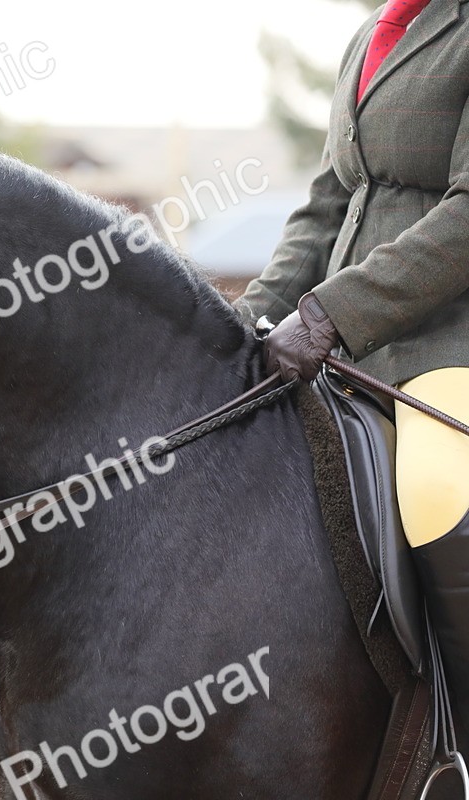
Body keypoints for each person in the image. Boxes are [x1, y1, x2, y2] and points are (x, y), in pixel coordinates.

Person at [235, 0, 469, 722]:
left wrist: (331, 315)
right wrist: (245, 317)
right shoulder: (373, 33)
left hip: (449, 343)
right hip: (350, 351)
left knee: (435, 491)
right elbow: (329, 203)